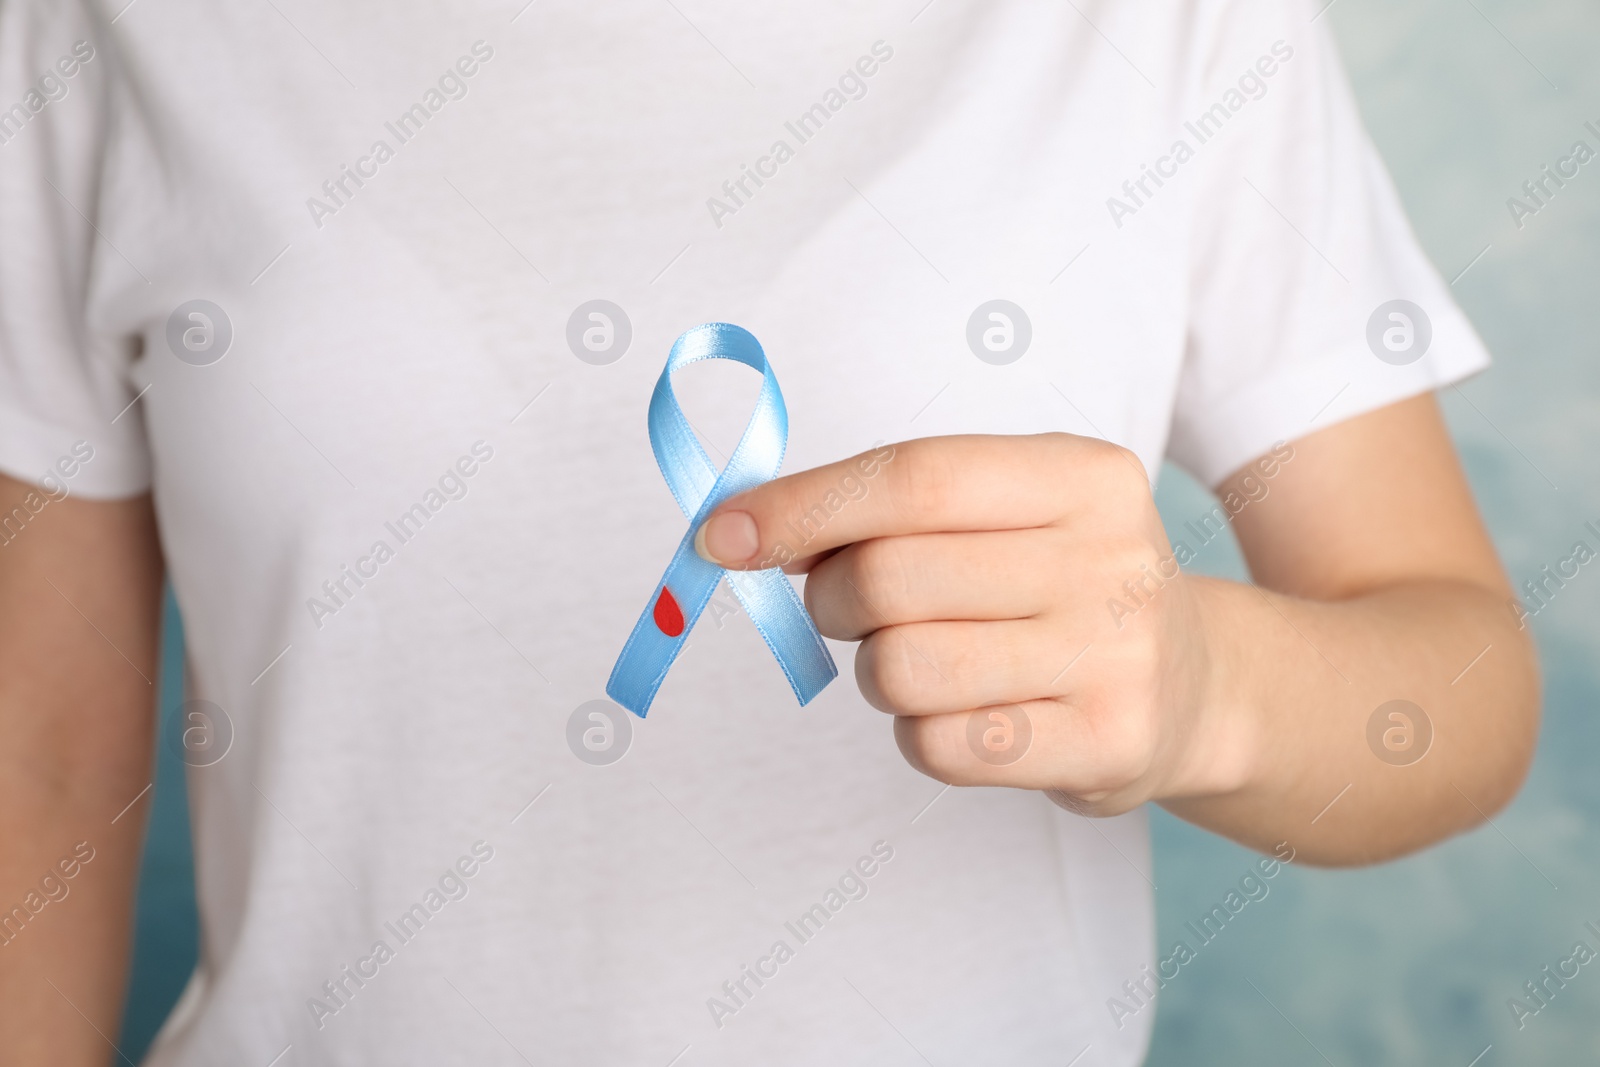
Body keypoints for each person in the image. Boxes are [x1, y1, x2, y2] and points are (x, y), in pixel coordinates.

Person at [0, 0, 1537, 1063]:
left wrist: (1213, 689)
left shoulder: (1167, 23)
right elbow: (43, 763)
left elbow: (1461, 697)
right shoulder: (99, 32)